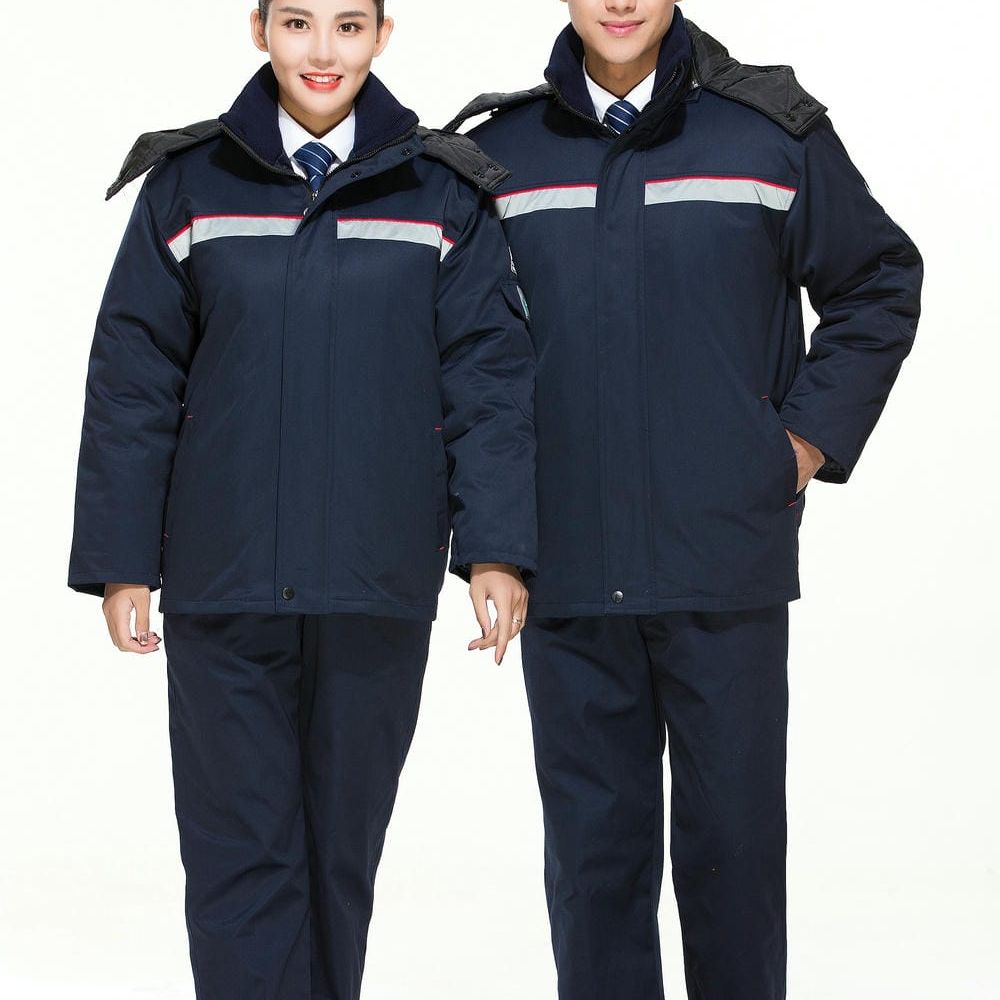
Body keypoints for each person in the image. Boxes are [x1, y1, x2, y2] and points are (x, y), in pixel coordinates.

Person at [447, 1, 922, 997]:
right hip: (568, 569)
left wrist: (799, 443)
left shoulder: (767, 133)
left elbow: (878, 278)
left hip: (723, 560)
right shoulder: (499, 155)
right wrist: (490, 538)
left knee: (733, 864)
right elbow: (466, 357)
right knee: (594, 871)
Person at [67, 1, 536, 996]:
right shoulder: (189, 186)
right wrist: (120, 559)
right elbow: (133, 378)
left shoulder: (442, 192)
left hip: (376, 580)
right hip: (224, 580)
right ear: (259, 30)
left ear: (383, 36)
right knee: (241, 859)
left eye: (348, 26)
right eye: (297, 23)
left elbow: (488, 377)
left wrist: (495, 548)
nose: (322, 51)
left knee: (337, 856)